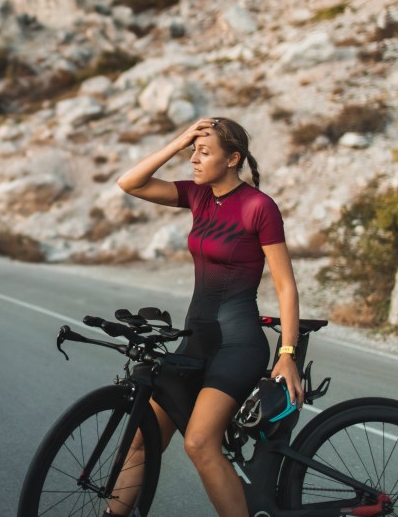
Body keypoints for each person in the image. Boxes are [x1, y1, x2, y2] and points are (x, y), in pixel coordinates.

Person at [111, 116, 302, 517]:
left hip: (238, 344)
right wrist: (180, 140)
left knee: (199, 443)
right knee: (142, 441)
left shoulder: (259, 207)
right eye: (192, 153)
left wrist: (287, 353)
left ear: (233, 159)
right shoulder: (197, 196)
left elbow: (285, 285)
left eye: (204, 152)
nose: (194, 160)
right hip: (194, 341)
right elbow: (130, 183)